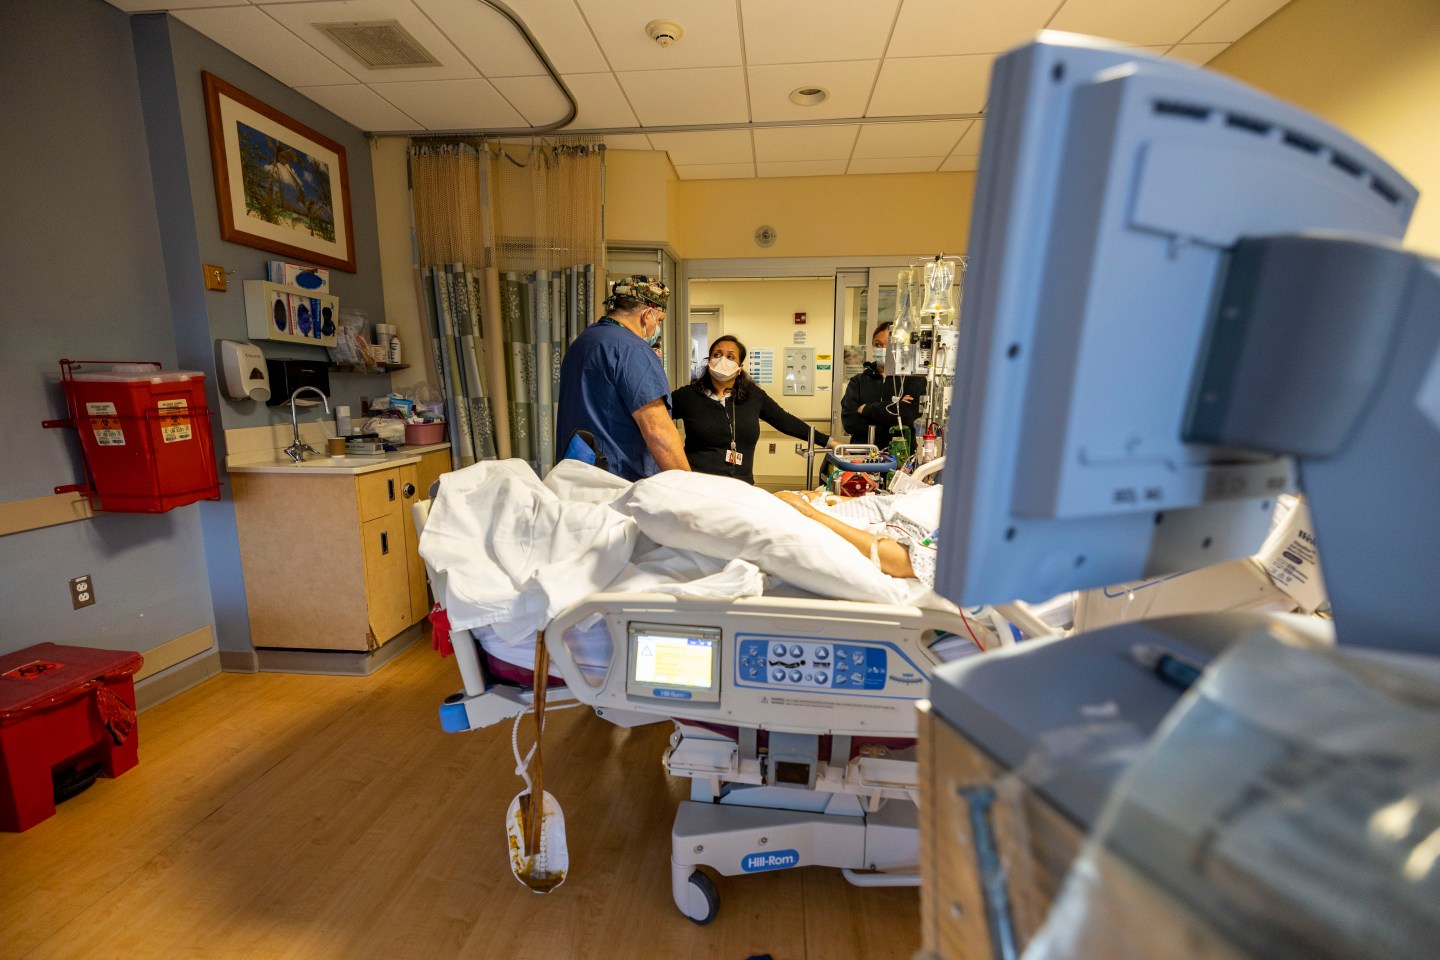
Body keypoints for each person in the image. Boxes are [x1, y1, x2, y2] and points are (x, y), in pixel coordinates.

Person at [556, 275, 690, 481]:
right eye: (659, 320)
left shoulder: (584, 342)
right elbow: (658, 431)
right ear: (647, 315)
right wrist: (689, 487)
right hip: (618, 484)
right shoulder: (632, 350)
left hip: (576, 479)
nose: (657, 328)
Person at [670, 335, 831, 484]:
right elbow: (654, 418)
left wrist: (829, 442)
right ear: (709, 361)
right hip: (698, 485)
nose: (722, 360)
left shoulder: (753, 396)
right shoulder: (688, 396)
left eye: (730, 356)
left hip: (741, 486)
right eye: (717, 355)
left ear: (739, 367)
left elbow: (786, 421)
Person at [840, 320, 928, 447]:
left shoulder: (913, 379)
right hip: (863, 454)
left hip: (901, 455)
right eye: (878, 344)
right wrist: (894, 409)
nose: (882, 349)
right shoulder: (858, 381)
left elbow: (907, 416)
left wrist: (866, 409)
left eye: (888, 345)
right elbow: (850, 423)